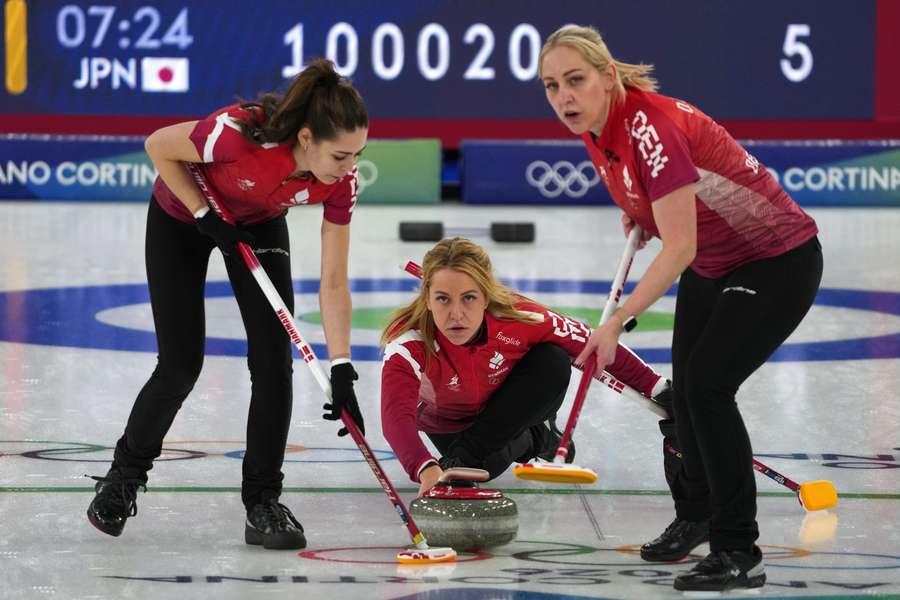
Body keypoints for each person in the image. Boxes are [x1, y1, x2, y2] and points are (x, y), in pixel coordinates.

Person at [539, 26, 823, 591]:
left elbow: (681, 246)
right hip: (715, 264)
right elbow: (674, 215)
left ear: (607, 77)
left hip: (775, 259)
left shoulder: (650, 128)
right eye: (551, 86)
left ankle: (740, 551)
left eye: (575, 80)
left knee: (708, 386)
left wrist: (618, 320)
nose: (563, 97)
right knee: (683, 398)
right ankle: (696, 515)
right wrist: (645, 212)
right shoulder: (598, 128)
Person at [86, 59, 368, 550]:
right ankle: (123, 478)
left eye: (356, 155)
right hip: (183, 213)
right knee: (180, 365)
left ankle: (262, 502)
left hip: (257, 223)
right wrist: (202, 214)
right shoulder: (237, 134)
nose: (350, 168)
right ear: (306, 139)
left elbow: (334, 280)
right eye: (341, 155)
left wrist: (341, 366)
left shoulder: (340, 182)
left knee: (273, 362)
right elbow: (158, 145)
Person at [380, 237, 672, 497]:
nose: (456, 314)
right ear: (427, 300)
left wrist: (661, 390)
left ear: (485, 297)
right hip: (450, 420)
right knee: (484, 468)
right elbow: (396, 416)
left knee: (553, 360)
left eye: (468, 298)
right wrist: (424, 467)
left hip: (512, 400)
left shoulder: (521, 317)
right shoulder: (409, 342)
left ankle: (496, 440)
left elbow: (600, 347)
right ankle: (537, 439)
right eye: (442, 299)